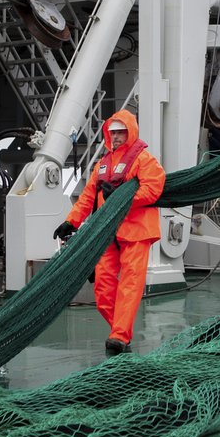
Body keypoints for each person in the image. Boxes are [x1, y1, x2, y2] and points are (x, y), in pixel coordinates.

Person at [53, 109, 166, 355]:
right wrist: (70, 222)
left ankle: (119, 336)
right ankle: (120, 331)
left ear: (130, 132)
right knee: (103, 287)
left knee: (130, 285)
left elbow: (153, 189)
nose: (115, 137)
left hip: (136, 232)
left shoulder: (144, 159)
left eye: (120, 132)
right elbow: (87, 197)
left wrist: (122, 197)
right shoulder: (103, 164)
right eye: (112, 132)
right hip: (107, 233)